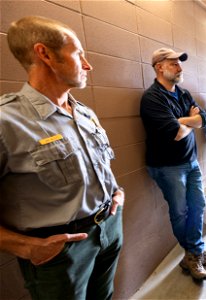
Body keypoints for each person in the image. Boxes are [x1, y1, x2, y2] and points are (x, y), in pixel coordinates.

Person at [0, 16, 125, 299]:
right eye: (78, 53)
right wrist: (24, 246)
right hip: (61, 252)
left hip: (109, 227)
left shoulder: (84, 113)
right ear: (44, 54)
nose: (88, 64)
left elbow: (98, 165)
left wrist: (116, 194)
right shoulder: (6, 122)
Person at [140, 48, 206, 281]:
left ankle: (193, 253)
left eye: (179, 63)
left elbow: (203, 119)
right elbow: (177, 134)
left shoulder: (182, 93)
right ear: (159, 67)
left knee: (198, 204)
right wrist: (187, 122)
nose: (180, 67)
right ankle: (194, 253)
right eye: (173, 64)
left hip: (190, 162)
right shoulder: (152, 98)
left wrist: (184, 120)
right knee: (180, 211)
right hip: (167, 166)